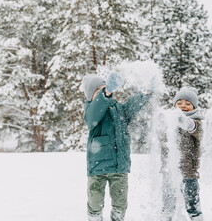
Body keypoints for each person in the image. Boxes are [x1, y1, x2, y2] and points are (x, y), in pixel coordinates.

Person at [82, 72, 152, 221]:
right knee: (95, 203)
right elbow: (93, 116)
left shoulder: (118, 109)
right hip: (97, 168)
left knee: (120, 203)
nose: (104, 91)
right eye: (99, 91)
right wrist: (105, 93)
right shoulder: (91, 111)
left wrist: (145, 93)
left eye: (106, 88)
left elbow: (132, 107)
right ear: (90, 96)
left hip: (119, 167)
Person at [160, 87, 204, 221]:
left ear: (194, 107)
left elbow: (199, 132)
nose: (183, 106)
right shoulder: (169, 120)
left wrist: (186, 123)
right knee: (168, 204)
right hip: (169, 171)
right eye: (179, 103)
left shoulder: (198, 122)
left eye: (187, 103)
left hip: (189, 172)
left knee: (192, 204)